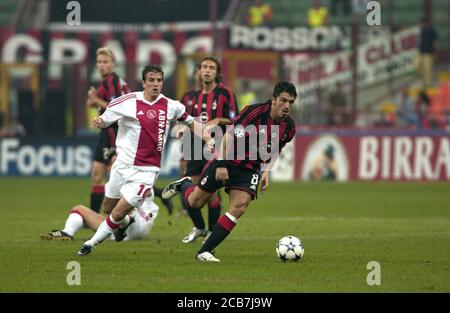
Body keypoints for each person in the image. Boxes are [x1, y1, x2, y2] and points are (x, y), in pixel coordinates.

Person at [77, 64, 210, 256]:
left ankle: (90, 244)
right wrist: (99, 121)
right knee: (108, 208)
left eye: (159, 80)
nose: (156, 84)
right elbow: (106, 118)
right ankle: (126, 222)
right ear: (144, 83)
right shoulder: (128, 101)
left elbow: (191, 123)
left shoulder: (172, 106)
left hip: (147, 172)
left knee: (118, 212)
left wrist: (209, 139)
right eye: (151, 80)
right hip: (121, 166)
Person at [162, 81, 297, 262]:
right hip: (228, 160)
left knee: (240, 206)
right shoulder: (254, 112)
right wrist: (222, 164)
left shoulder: (289, 127)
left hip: (250, 170)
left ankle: (205, 251)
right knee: (195, 202)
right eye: (283, 100)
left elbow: (275, 149)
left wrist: (266, 171)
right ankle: (184, 184)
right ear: (273, 100)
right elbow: (227, 136)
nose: (287, 106)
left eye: (291, 102)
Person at [180, 56, 239, 244]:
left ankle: (212, 231)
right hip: (195, 144)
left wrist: (217, 121)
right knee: (191, 186)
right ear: (199, 71)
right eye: (204, 67)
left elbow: (235, 120)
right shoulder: (194, 97)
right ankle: (199, 227)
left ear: (217, 73)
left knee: (210, 190)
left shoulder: (225, 93)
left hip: (217, 145)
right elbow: (189, 121)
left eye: (211, 68)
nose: (206, 70)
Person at [87, 47, 130, 213]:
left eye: (105, 62)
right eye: (99, 62)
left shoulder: (112, 81)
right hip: (106, 134)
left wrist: (96, 99)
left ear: (113, 64)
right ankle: (92, 218)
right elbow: (95, 104)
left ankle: (121, 220)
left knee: (116, 179)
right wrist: (93, 100)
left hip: (116, 134)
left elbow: (117, 109)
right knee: (97, 175)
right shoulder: (107, 82)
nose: (101, 65)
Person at [41, 190, 159, 242]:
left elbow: (110, 209)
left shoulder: (120, 179)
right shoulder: (153, 204)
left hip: (122, 231)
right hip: (140, 231)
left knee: (79, 209)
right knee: (90, 218)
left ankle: (67, 232)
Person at [417, 17, 438, 87]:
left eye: (422, 23)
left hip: (429, 53)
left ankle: (428, 85)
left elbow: (434, 43)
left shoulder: (432, 31)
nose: (421, 25)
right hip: (421, 53)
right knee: (419, 66)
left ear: (425, 23)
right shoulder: (421, 31)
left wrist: (436, 53)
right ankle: (423, 82)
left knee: (428, 69)